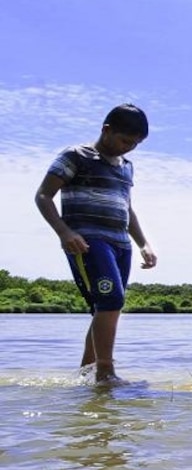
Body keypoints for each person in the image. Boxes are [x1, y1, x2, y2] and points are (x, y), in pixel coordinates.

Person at [34, 104, 157, 384]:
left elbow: (127, 208)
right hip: (88, 241)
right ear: (107, 130)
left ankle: (86, 373)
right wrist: (64, 232)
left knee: (106, 307)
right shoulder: (76, 156)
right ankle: (105, 372)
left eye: (136, 144)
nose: (129, 148)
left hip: (120, 244)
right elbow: (43, 196)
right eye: (126, 140)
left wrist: (143, 244)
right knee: (111, 300)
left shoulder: (127, 167)